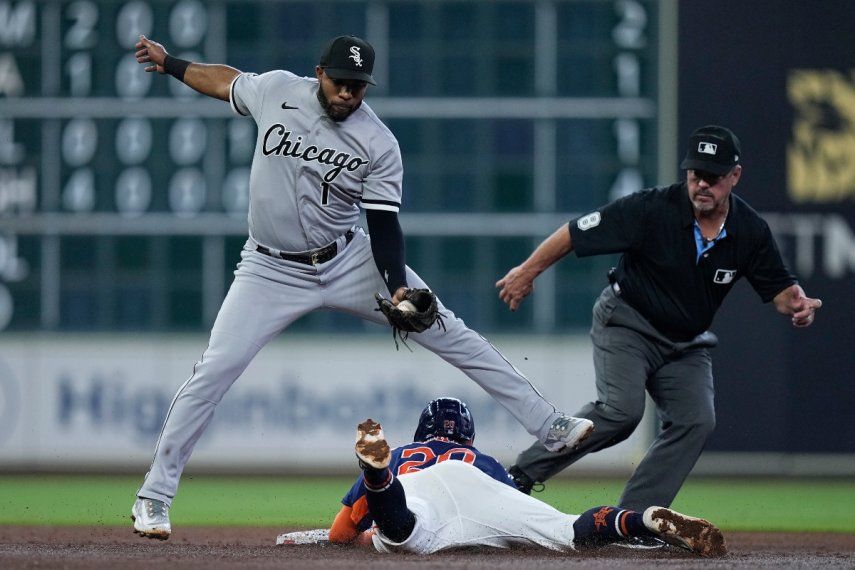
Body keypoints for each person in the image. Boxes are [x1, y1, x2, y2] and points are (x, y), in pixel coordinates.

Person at [129, 35, 593, 540]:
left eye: (359, 86)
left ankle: (549, 425)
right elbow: (225, 81)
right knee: (213, 371)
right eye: (341, 82)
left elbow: (384, 226)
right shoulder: (276, 91)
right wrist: (172, 64)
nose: (349, 93)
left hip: (348, 258)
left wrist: (396, 287)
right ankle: (153, 497)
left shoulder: (378, 143)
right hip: (268, 268)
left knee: (452, 333)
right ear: (319, 73)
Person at [496, 125, 823, 511]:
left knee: (697, 419)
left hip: (685, 343)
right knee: (622, 412)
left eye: (713, 177)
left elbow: (780, 291)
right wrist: (526, 271)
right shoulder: (651, 209)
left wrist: (797, 303)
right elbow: (574, 233)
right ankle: (522, 474)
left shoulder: (749, 230)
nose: (702, 184)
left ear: (735, 176)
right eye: (695, 174)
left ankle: (632, 517)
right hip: (627, 322)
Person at [310, 397, 725, 557]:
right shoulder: (484, 459)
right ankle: (642, 518)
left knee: (402, 530)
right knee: (566, 530)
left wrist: (367, 534)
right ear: (468, 437)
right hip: (480, 485)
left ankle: (379, 479)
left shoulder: (403, 454)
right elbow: (512, 506)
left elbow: (339, 535)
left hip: (415, 490)